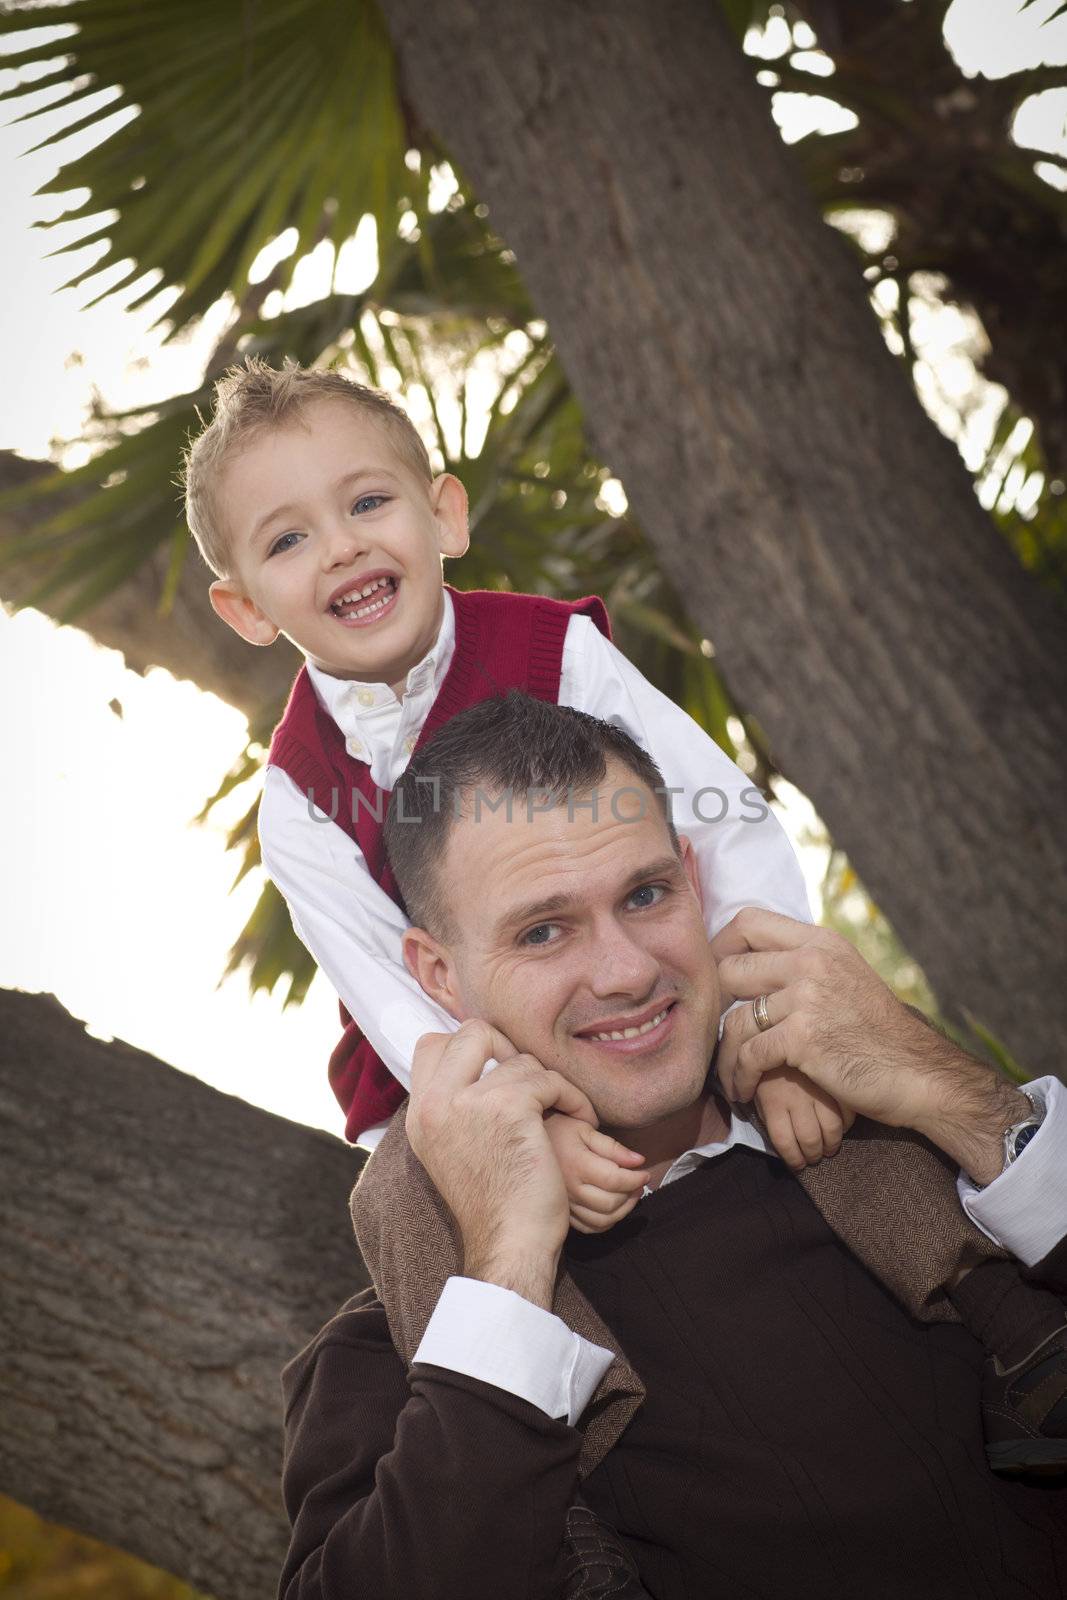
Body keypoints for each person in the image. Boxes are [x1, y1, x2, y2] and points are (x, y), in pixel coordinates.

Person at [182, 359, 1056, 1461]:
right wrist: (524, 1113)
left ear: (441, 514)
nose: (343, 545)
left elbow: (718, 820)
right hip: (457, 1050)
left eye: (366, 502)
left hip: (627, 966)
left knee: (821, 1061)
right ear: (243, 607)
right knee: (406, 1194)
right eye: (287, 539)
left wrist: (757, 1016)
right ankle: (580, 1467)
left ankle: (1003, 1314)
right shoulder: (298, 796)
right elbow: (392, 998)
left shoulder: (554, 650)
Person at [279, 695, 1067, 1600]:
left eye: (645, 895)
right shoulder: (412, 1354)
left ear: (693, 877)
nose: (625, 971)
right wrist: (505, 1273)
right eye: (543, 931)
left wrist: (958, 1100)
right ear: (440, 977)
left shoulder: (912, 1164)